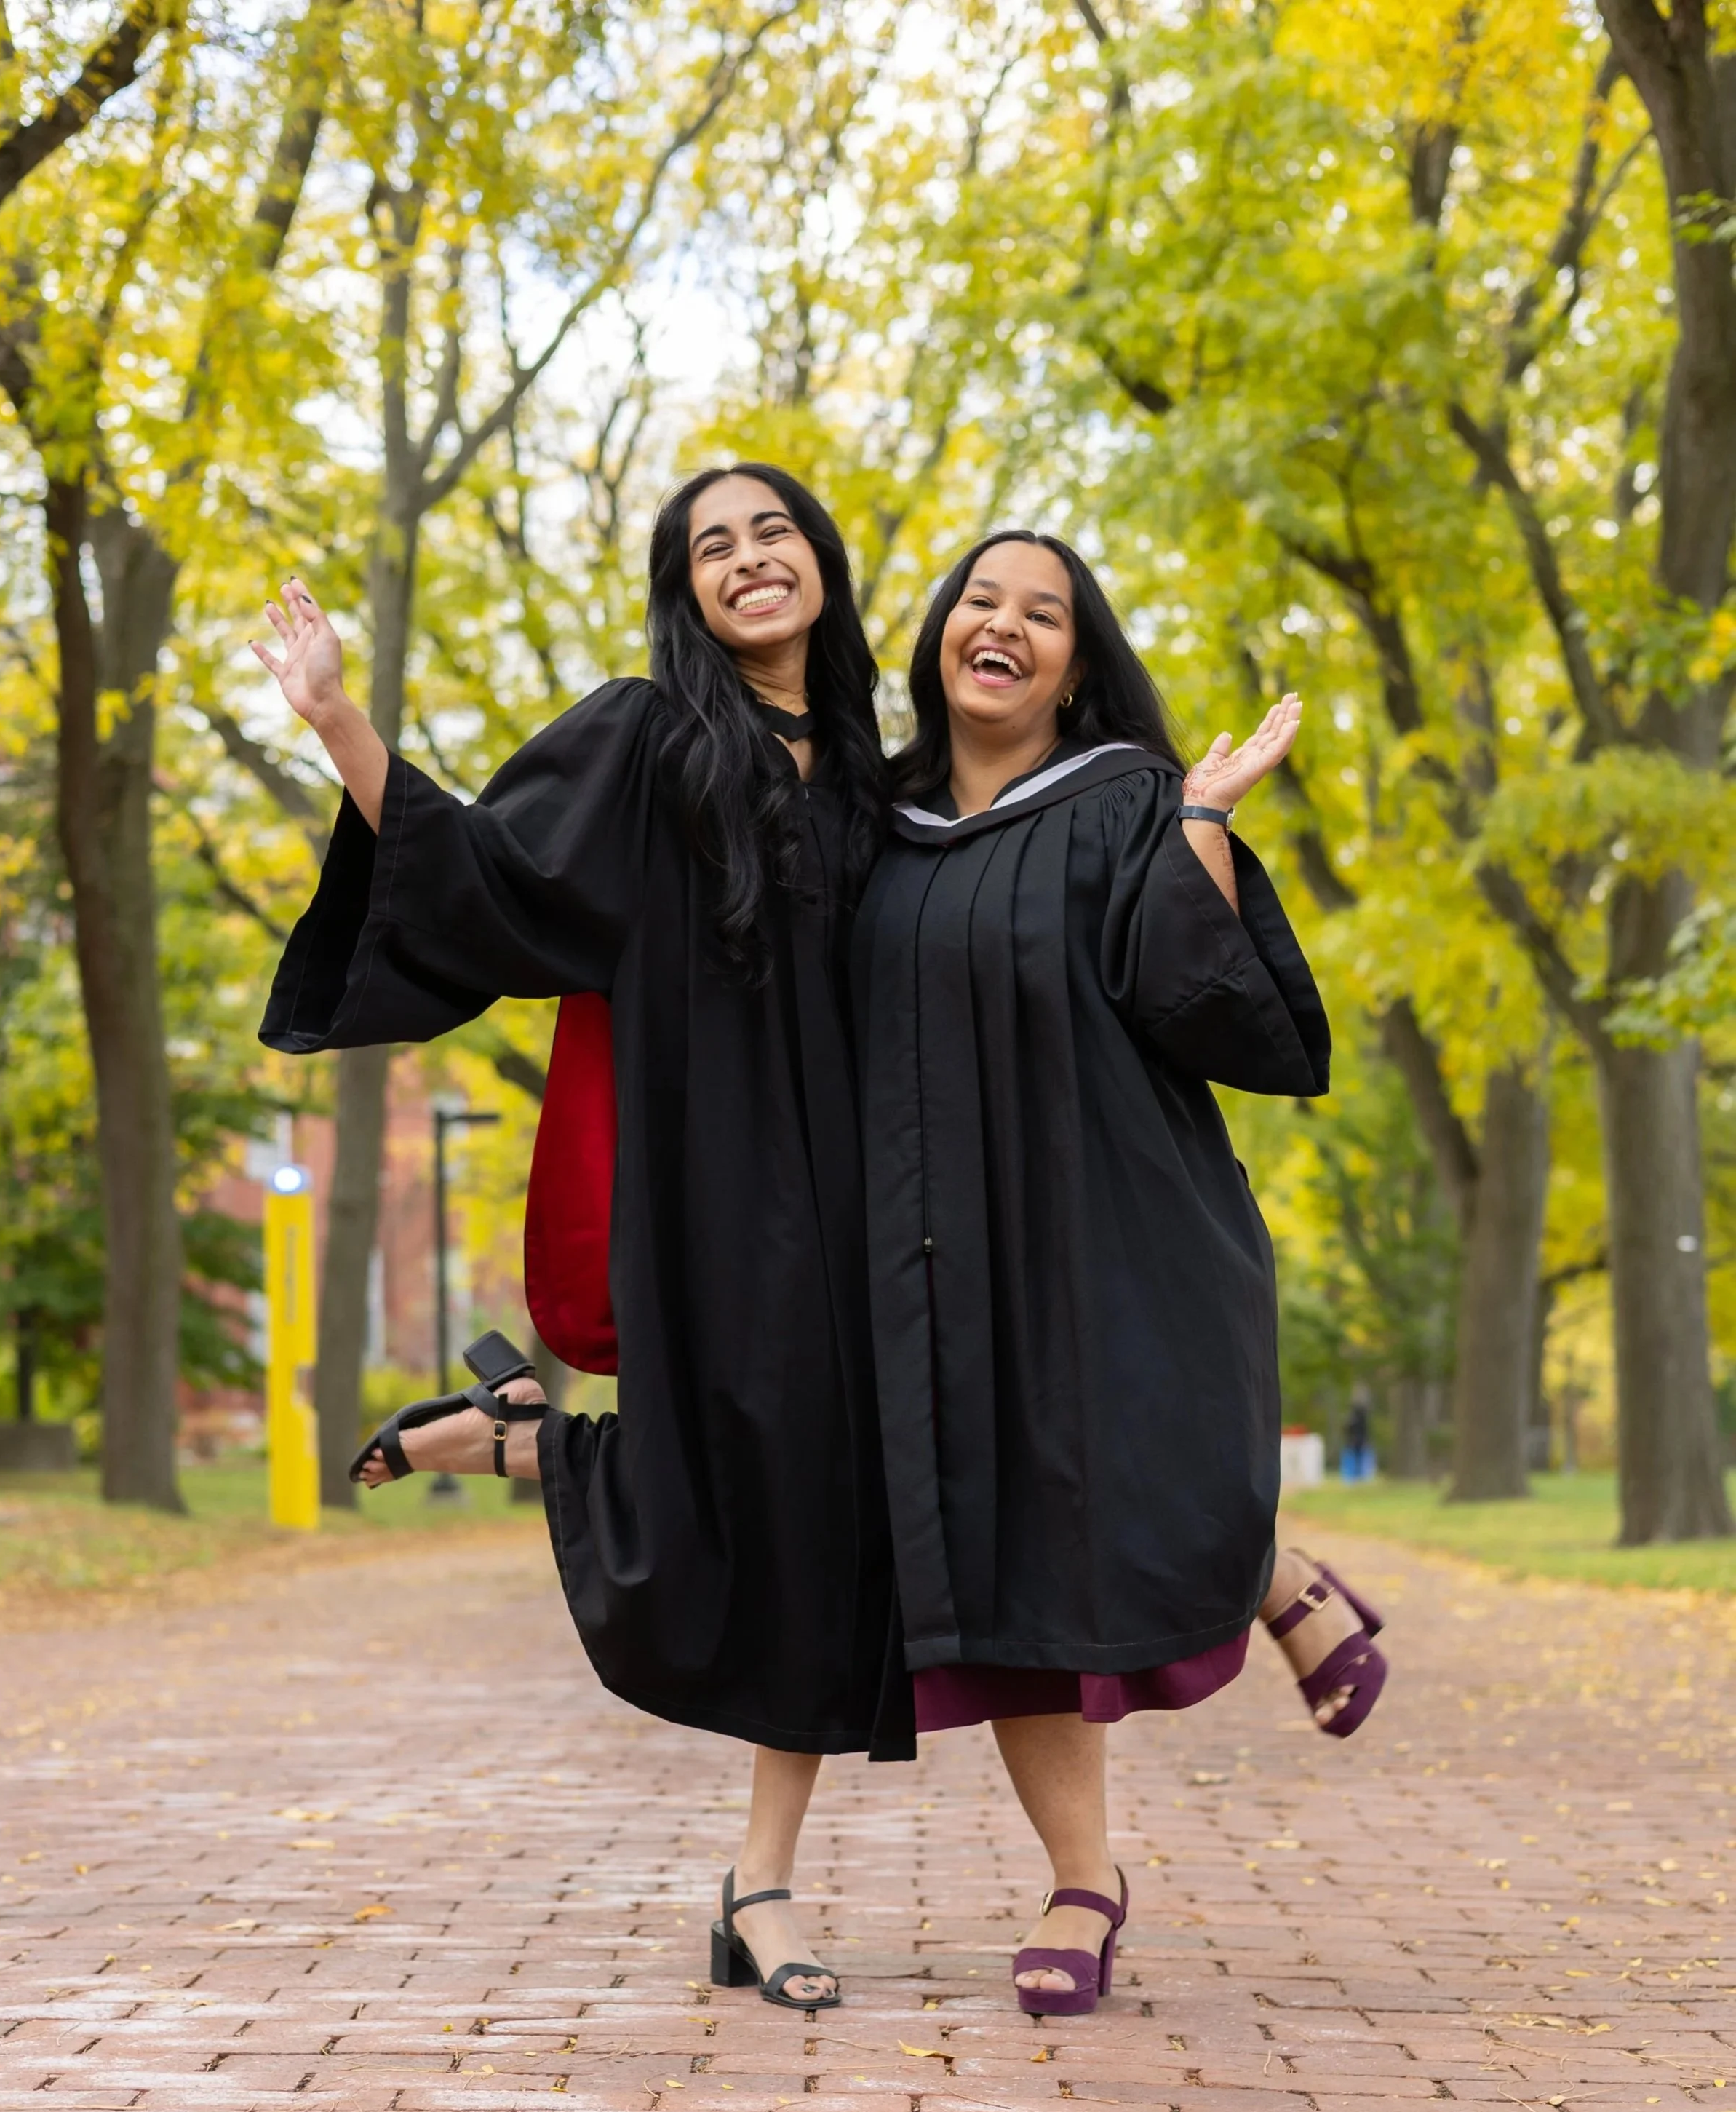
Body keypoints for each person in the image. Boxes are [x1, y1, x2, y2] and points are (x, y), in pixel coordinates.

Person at [252, 464, 912, 2011]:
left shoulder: (886, 770)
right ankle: (762, 1882)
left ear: (820, 561)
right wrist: (340, 722)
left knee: (830, 1518)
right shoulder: (646, 738)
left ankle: (517, 1444)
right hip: (724, 1192)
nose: (749, 559)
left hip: (880, 1202)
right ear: (684, 592)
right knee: (759, 1506)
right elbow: (486, 878)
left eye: (773, 532)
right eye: (711, 547)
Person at [851, 531, 1388, 2017]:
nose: (1005, 626)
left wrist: (1201, 822)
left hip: (1113, 1212)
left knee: (1154, 1456)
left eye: (1045, 614)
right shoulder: (869, 819)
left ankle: (1267, 1567)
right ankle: (1083, 1880)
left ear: (1079, 666)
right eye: (982, 601)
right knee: (1008, 1559)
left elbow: (1209, 1008)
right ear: (940, 635)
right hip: (932, 1248)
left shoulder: (1125, 803)